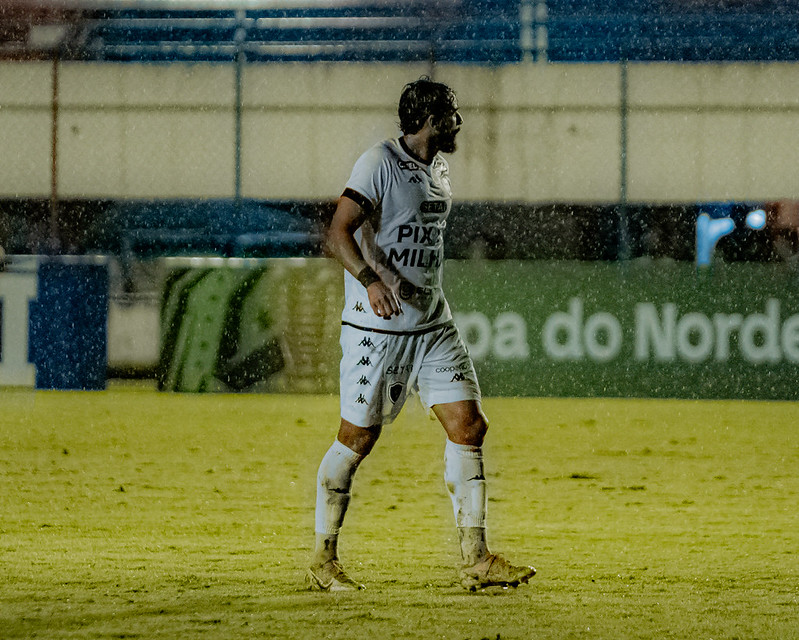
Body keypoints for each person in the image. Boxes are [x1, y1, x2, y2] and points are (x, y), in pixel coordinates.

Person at [307, 76, 535, 592]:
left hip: (432, 323)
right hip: (378, 329)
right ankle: (323, 558)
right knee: (357, 438)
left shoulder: (438, 168)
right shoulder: (378, 163)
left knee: (469, 426)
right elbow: (337, 230)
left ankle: (475, 559)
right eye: (453, 114)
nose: (460, 123)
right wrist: (369, 281)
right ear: (432, 118)